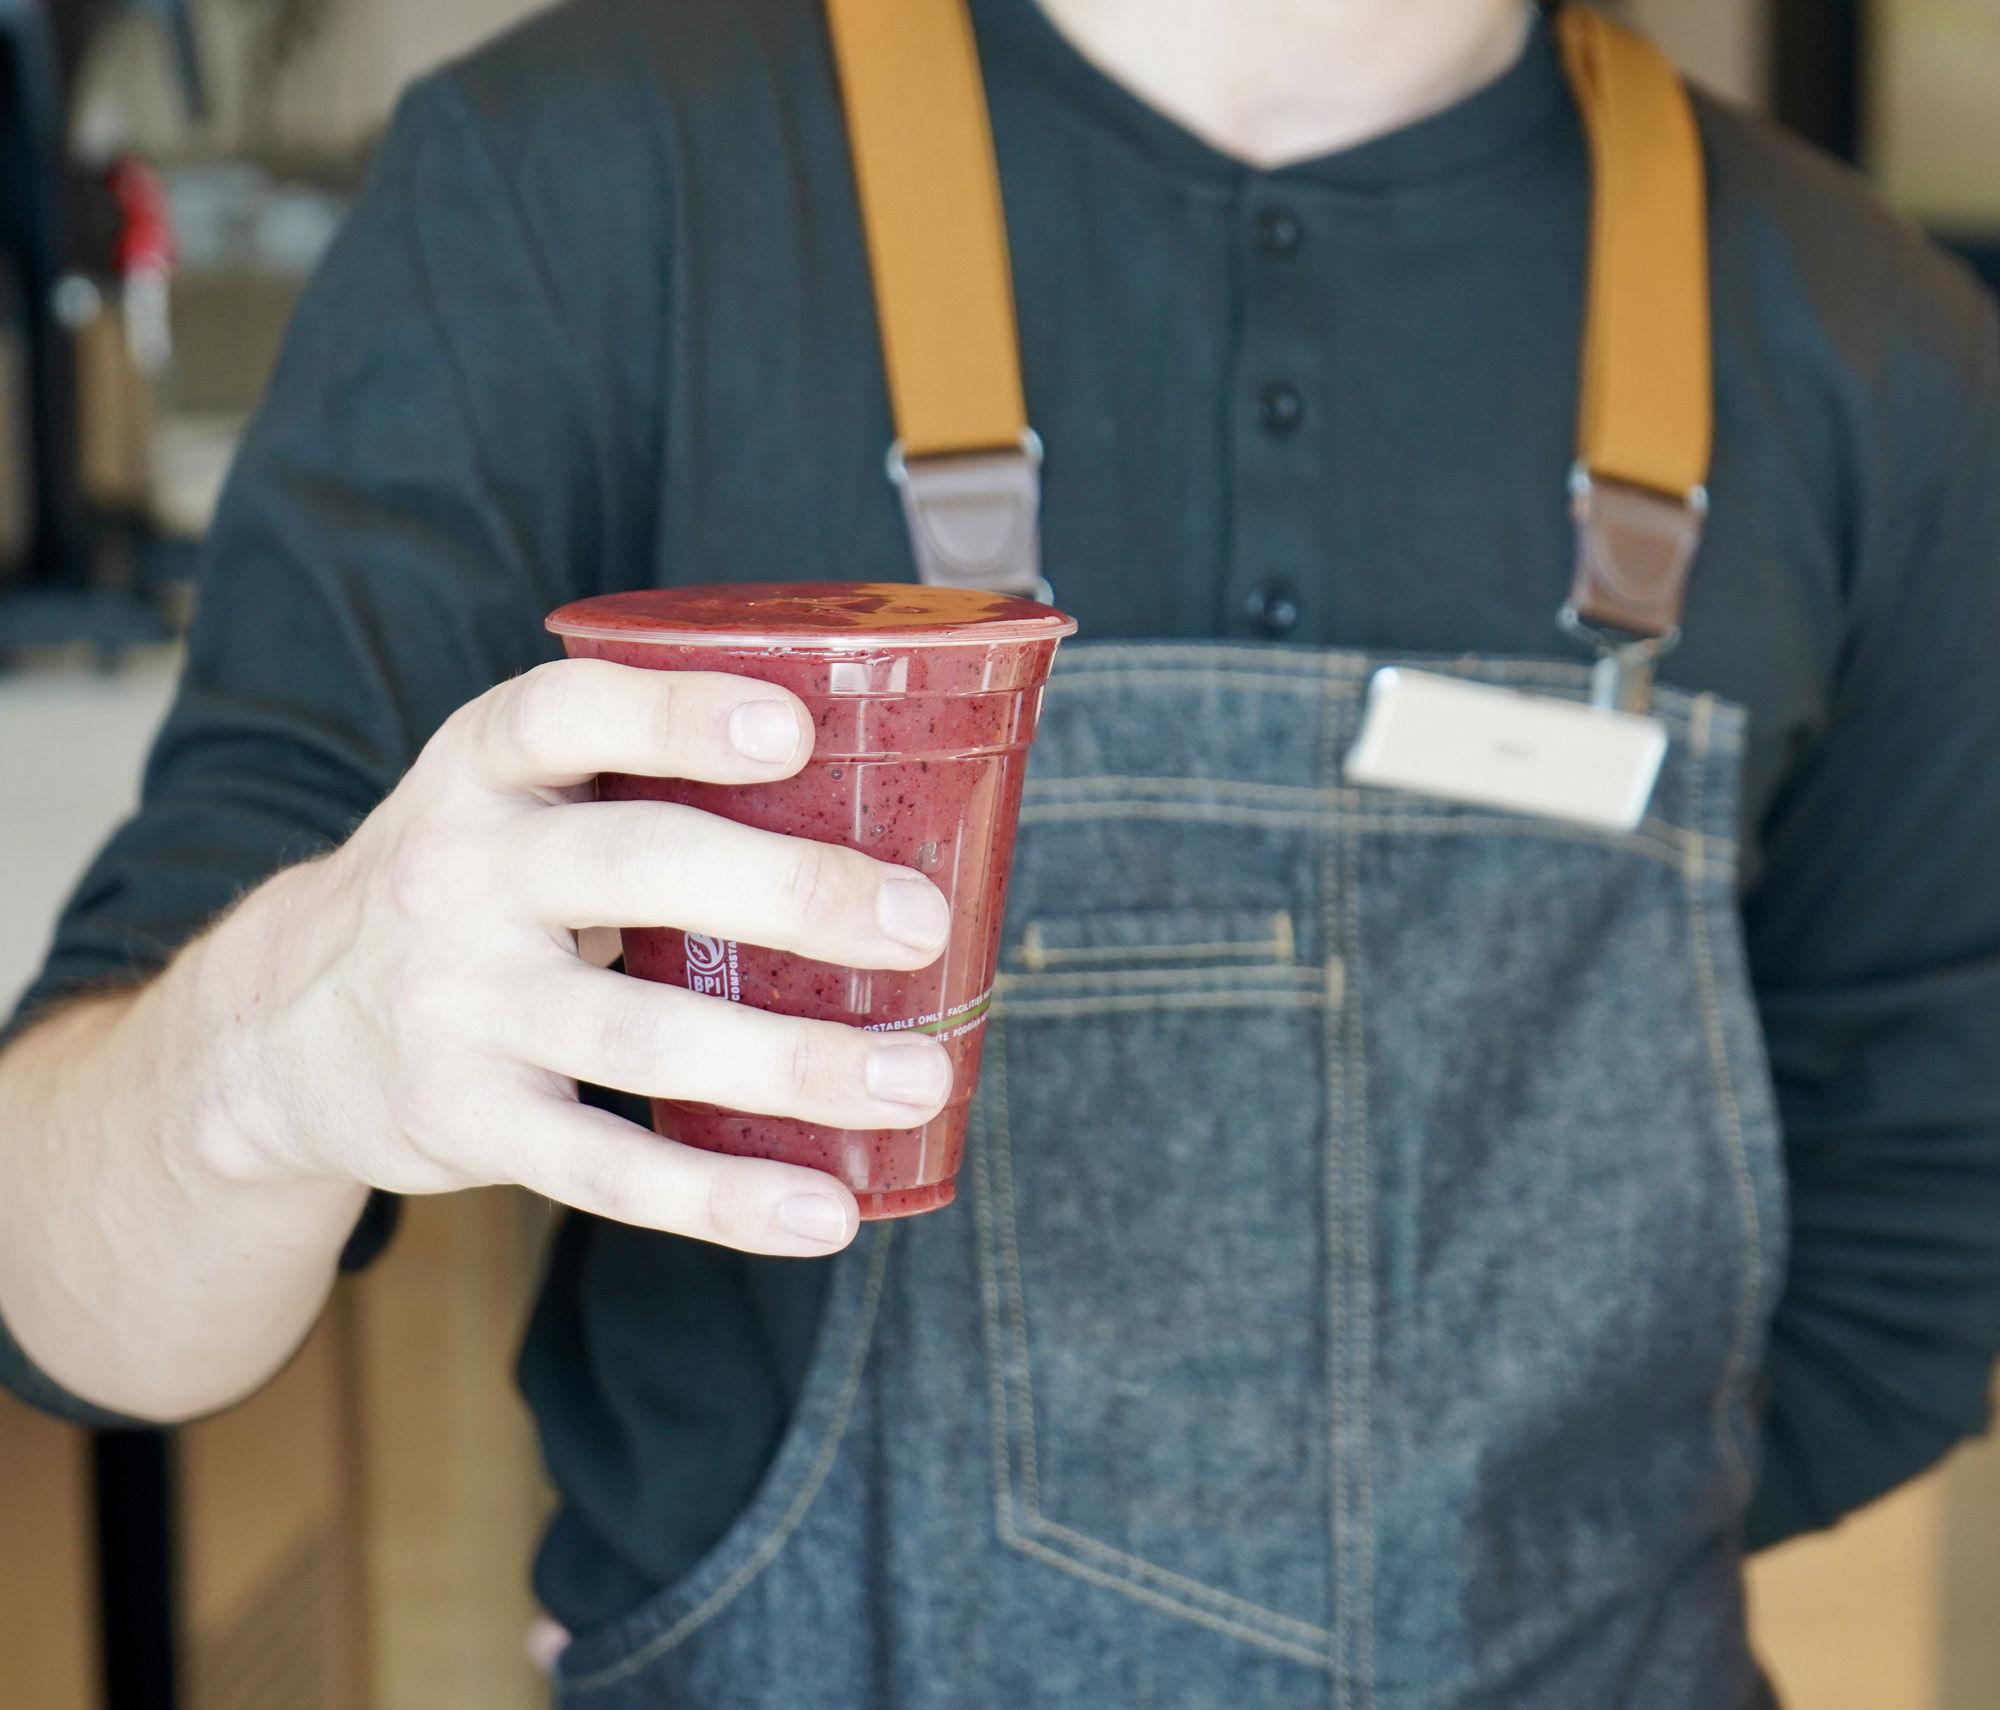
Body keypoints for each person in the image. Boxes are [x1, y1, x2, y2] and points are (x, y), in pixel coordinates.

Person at [4, 0, 2000, 1702]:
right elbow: (59, 1285)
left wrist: (1524, 1568)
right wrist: (267, 1062)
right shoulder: (573, 188)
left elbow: (1922, 1244)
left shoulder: (1885, 352)